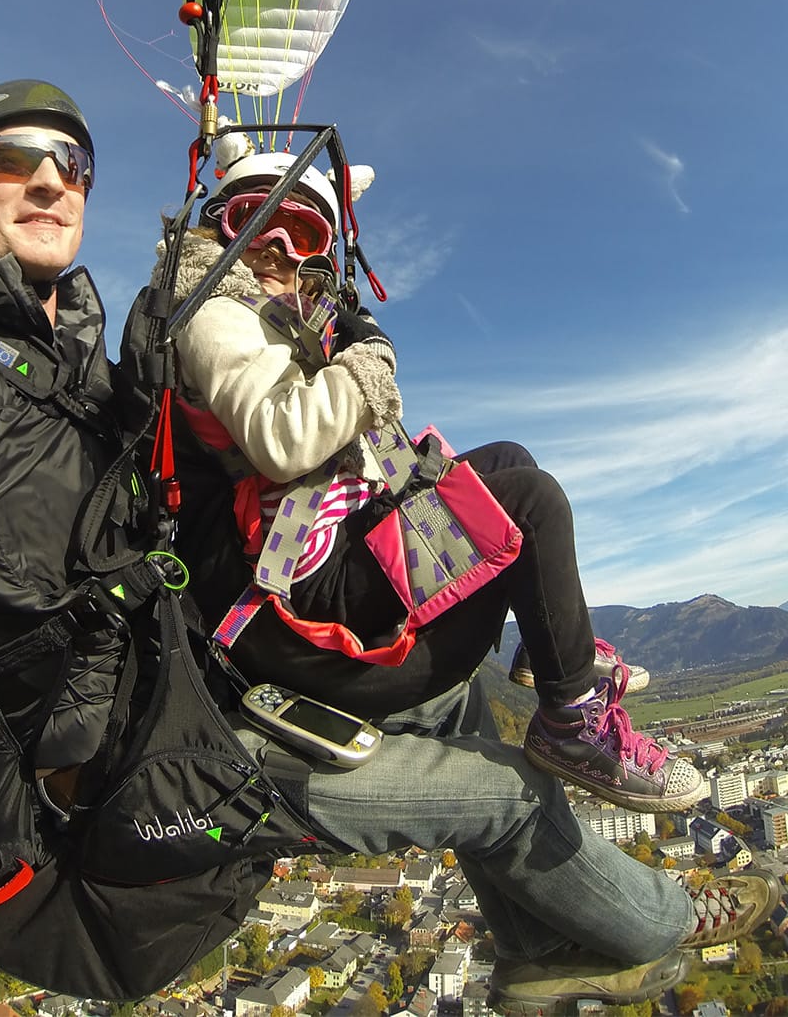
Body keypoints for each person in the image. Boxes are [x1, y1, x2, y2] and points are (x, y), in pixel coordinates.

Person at [0, 79, 778, 1011]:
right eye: (8, 160)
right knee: (508, 796)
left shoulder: (80, 374)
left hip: (195, 683)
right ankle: (660, 926)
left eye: (70, 163)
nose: (48, 180)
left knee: (460, 701)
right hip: (143, 782)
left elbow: (199, 452)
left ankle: (538, 944)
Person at [162, 133, 706, 813]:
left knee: (507, 460)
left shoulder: (275, 318)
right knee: (531, 502)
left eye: (301, 233)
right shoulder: (214, 311)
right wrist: (370, 360)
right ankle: (570, 724)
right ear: (220, 224)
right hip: (310, 583)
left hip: (331, 539)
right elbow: (285, 439)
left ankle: (550, 653)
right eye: (255, 222)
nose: (276, 248)